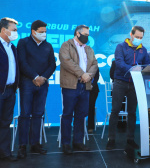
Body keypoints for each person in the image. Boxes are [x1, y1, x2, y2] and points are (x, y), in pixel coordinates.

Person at [106, 26, 150, 150]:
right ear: (131, 34)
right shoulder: (121, 47)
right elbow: (119, 63)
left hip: (135, 84)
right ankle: (111, 139)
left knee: (132, 112)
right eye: (137, 37)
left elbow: (147, 64)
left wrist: (144, 69)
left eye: (141, 38)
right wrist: (132, 69)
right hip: (120, 82)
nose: (139, 39)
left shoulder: (143, 50)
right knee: (115, 111)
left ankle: (130, 139)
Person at [17, 20, 56, 159]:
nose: (44, 34)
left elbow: (53, 64)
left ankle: (35, 143)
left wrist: (43, 78)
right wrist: (35, 76)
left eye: (45, 31)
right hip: (28, 83)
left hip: (43, 84)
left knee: (38, 114)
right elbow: (22, 62)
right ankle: (22, 145)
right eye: (41, 32)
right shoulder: (23, 42)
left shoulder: (48, 46)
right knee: (25, 114)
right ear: (33, 31)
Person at [59, 25, 98, 155]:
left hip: (85, 86)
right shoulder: (66, 45)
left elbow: (94, 64)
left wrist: (89, 75)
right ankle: (65, 143)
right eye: (85, 34)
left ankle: (78, 142)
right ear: (77, 33)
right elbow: (66, 62)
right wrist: (82, 74)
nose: (87, 36)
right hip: (71, 85)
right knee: (67, 115)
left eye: (88, 34)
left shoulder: (89, 49)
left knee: (81, 115)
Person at [0, 17, 19, 162]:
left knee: (6, 123)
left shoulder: (12, 47)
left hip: (10, 91)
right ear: (3, 30)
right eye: (14, 30)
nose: (16, 33)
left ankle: (5, 153)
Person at [110, 60, 127, 129]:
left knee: (126, 106)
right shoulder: (114, 63)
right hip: (117, 87)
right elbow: (111, 75)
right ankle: (118, 123)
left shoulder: (129, 62)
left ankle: (125, 123)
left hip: (127, 88)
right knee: (117, 107)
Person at [88, 68, 99, 133]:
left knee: (91, 106)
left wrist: (92, 85)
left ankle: (90, 127)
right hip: (82, 88)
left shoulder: (95, 66)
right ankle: (78, 126)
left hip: (93, 89)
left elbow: (97, 77)